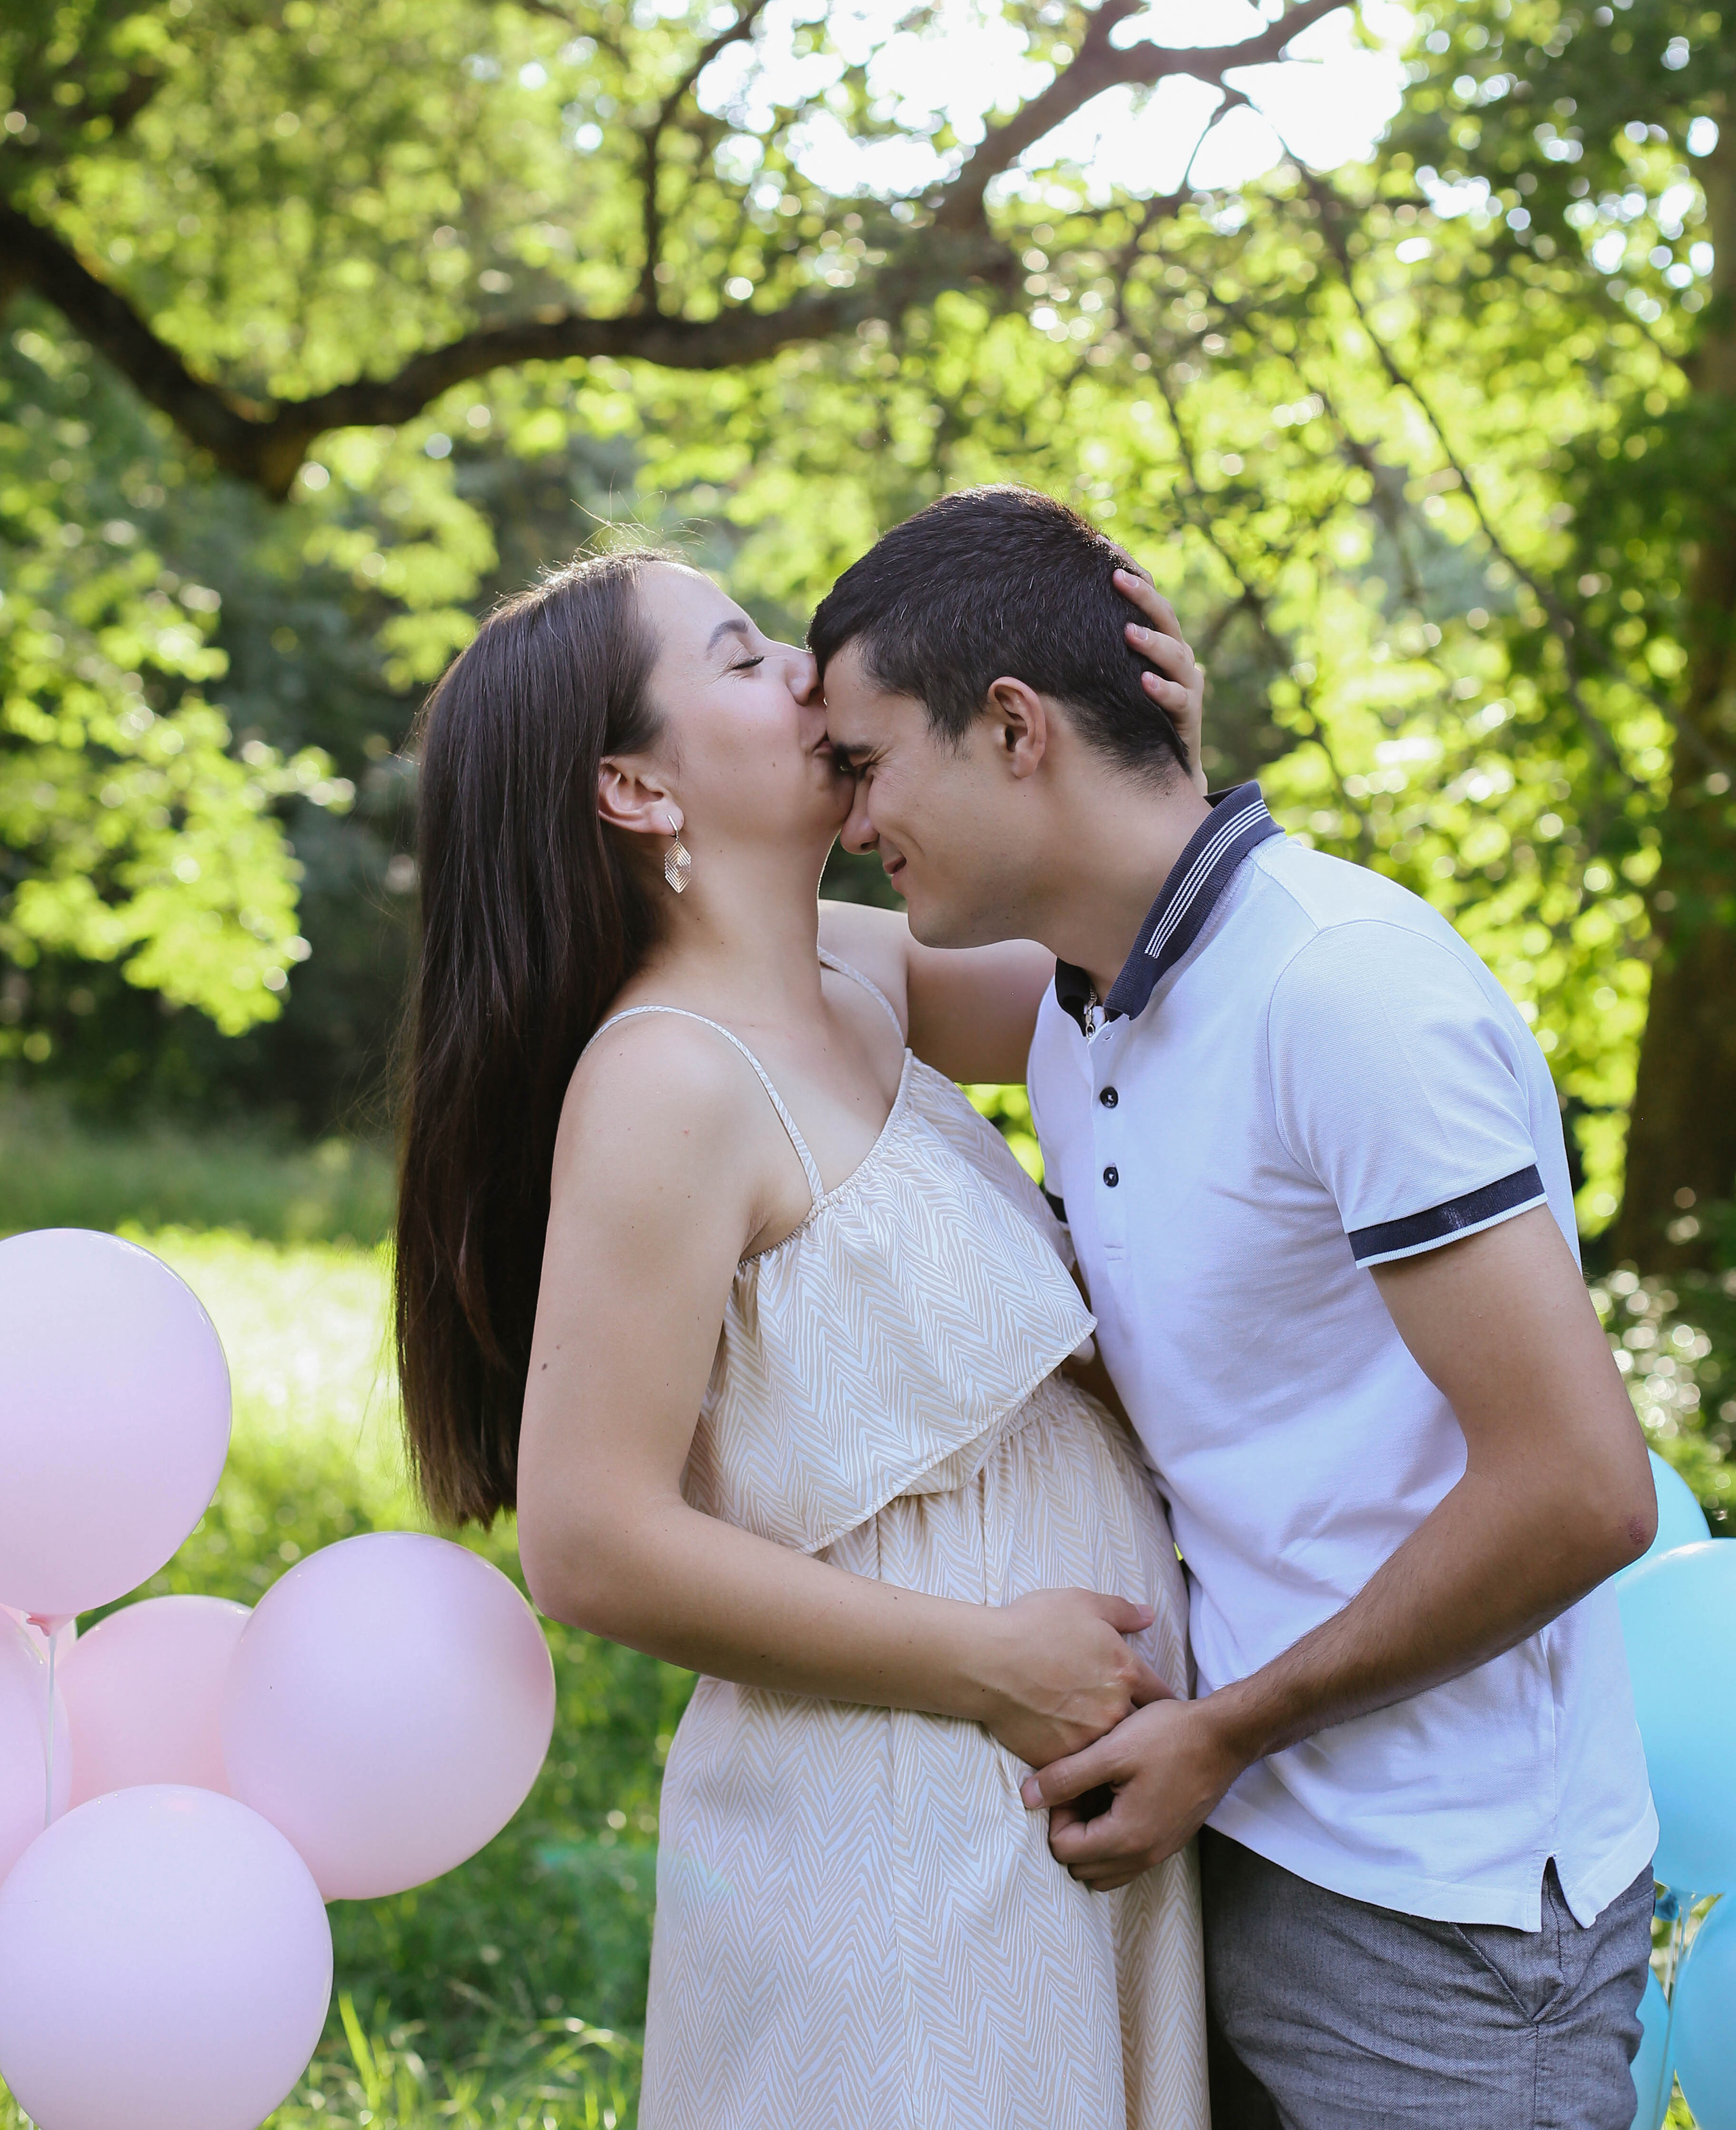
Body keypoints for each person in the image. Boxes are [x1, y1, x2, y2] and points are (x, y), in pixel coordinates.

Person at [812, 484, 1661, 2130]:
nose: (845, 819)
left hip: (1446, 1918)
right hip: (1239, 1836)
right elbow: (777, 955)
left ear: (1009, 730)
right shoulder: (1085, 989)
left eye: (860, 763)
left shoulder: (1342, 992)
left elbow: (1579, 1488)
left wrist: (1223, 1732)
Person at [391, 543, 1212, 2130]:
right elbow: (586, 1540)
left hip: (1033, 1801)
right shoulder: (665, 1081)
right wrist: (986, 1665)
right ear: (635, 786)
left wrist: (1153, 762)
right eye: (739, 652)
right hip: (899, 1825)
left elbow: (1144, 971)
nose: (803, 670)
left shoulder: (854, 970)